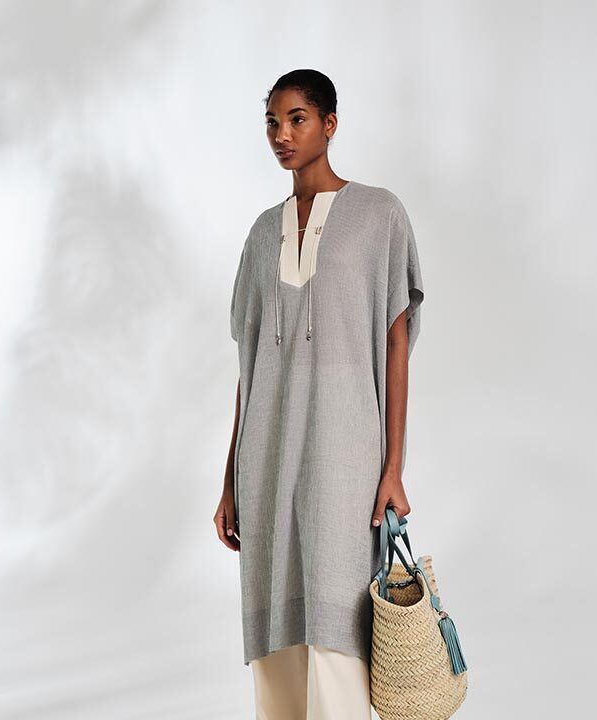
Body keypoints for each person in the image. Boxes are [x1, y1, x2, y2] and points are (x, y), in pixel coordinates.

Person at [214, 68, 430, 719]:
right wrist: (229, 481)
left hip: (345, 455)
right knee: (278, 645)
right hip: (267, 460)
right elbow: (250, 365)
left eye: (297, 119)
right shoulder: (262, 235)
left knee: (339, 631)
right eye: (272, 123)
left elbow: (395, 343)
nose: (282, 135)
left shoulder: (378, 215)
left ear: (330, 124)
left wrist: (393, 468)